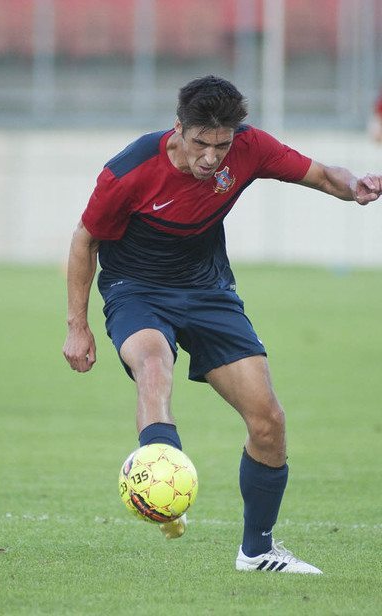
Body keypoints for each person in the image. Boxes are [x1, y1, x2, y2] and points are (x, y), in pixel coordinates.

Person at [63, 75, 382, 574]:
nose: (211, 157)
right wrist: (76, 326)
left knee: (268, 420)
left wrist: (355, 185)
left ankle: (257, 550)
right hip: (136, 290)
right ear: (177, 129)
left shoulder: (250, 148)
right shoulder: (129, 171)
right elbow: (85, 241)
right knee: (152, 359)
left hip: (207, 290)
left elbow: (321, 174)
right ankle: (162, 480)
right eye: (200, 144)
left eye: (221, 145)